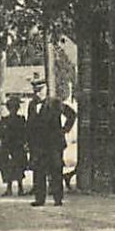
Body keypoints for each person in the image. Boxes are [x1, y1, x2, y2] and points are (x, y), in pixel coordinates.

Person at [26, 75, 76, 206]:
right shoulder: (32, 105)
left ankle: (58, 198)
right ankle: (39, 198)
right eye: (35, 90)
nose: (38, 93)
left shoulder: (55, 103)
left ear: (46, 89)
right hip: (38, 144)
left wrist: (64, 130)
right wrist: (29, 141)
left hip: (53, 144)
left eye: (40, 90)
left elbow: (71, 114)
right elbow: (30, 125)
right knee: (38, 171)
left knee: (55, 170)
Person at [0, 94, 29, 196]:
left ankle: (19, 188)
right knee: (9, 167)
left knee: (18, 167)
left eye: (15, 107)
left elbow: (25, 133)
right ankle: (11, 188)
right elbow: (0, 134)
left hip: (17, 146)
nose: (13, 109)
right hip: (9, 147)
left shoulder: (20, 120)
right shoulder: (6, 120)